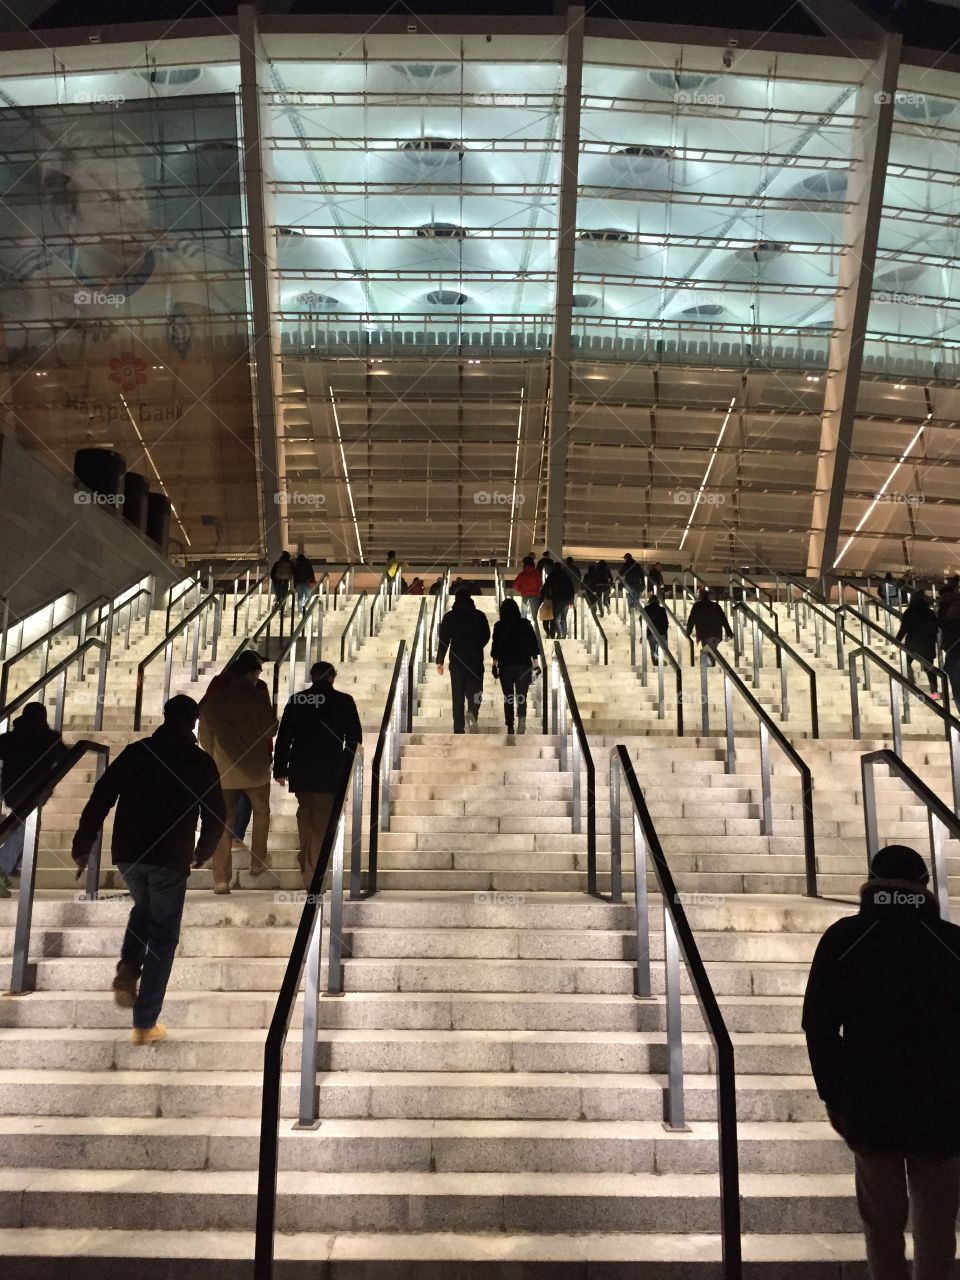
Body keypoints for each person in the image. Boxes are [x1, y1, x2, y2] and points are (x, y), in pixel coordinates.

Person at [803, 844, 960, 1280]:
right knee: (937, 1233)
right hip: (942, 1111)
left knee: (882, 1228)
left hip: (869, 1107)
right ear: (924, 886)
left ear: (871, 882)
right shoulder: (952, 943)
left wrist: (834, 1096)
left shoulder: (844, 938)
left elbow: (817, 1024)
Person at [71, 695, 225, 1045]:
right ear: (193, 722)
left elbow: (102, 795)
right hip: (170, 857)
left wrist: (83, 843)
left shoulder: (138, 752)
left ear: (165, 716)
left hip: (129, 853)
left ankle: (128, 965)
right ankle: (144, 1023)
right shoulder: (200, 761)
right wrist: (203, 852)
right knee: (163, 936)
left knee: (144, 907)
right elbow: (216, 814)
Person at [273, 661, 362, 890]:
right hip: (330, 770)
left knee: (306, 816)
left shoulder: (297, 700)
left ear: (312, 677)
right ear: (332, 677)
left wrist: (280, 768)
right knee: (321, 822)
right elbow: (354, 739)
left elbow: (284, 737)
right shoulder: (343, 701)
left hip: (301, 769)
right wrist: (347, 767)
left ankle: (307, 861)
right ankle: (312, 877)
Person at [198, 649, 278, 893]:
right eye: (258, 673)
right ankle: (258, 861)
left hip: (224, 770)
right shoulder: (257, 697)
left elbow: (204, 734)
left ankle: (221, 880)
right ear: (251, 673)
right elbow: (272, 729)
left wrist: (214, 756)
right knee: (261, 812)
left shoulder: (215, 699)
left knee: (222, 822)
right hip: (256, 769)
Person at [0, 703, 68, 897]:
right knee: (24, 829)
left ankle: (12, 866)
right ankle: (3, 869)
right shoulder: (48, 738)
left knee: (23, 828)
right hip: (34, 792)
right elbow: (63, 756)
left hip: (13, 790)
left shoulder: (13, 737)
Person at [436, 588, 491, 734]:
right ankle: (472, 712)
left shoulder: (450, 616)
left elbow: (444, 639)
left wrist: (440, 660)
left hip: (457, 660)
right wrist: (477, 645)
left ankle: (458, 728)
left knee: (458, 694)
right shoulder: (479, 616)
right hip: (475, 659)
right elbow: (486, 635)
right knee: (476, 690)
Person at [491, 599, 540, 738]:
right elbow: (533, 644)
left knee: (508, 697)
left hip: (506, 665)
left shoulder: (499, 626)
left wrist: (494, 665)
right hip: (524, 665)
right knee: (521, 696)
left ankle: (510, 726)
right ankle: (522, 721)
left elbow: (496, 647)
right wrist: (536, 664)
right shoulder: (525, 624)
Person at [895, 588, 940, 699]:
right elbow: (936, 628)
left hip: (912, 642)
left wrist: (896, 641)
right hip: (927, 643)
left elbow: (903, 629)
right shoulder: (929, 612)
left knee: (906, 663)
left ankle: (910, 684)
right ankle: (934, 691)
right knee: (929, 667)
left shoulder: (909, 612)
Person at [685, 586, 733, 661]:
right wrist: (729, 632)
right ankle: (710, 664)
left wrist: (688, 632)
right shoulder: (716, 606)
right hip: (716, 634)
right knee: (710, 651)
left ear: (700, 596)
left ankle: (709, 667)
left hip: (705, 633)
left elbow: (692, 619)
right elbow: (723, 620)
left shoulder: (697, 606)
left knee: (707, 651)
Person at [541, 560, 576, 640]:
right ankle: (563, 634)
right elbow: (571, 589)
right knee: (563, 617)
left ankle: (560, 633)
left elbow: (546, 586)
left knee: (556, 617)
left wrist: (548, 596)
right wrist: (571, 600)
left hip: (557, 599)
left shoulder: (552, 575)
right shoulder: (566, 576)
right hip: (566, 600)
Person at [941, 588, 960, 712]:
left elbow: (944, 642)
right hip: (954, 655)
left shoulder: (948, 621)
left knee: (958, 691)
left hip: (954, 655)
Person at [512, 554, 543, 619]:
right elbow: (540, 584)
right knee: (534, 616)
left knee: (524, 615)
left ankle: (524, 628)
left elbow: (515, 585)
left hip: (525, 596)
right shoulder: (537, 573)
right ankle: (534, 627)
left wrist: (521, 590)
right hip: (535, 595)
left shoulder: (522, 574)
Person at [643, 590, 669, 665]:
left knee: (653, 649)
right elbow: (666, 622)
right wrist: (664, 632)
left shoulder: (646, 608)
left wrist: (644, 633)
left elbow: (642, 619)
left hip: (651, 632)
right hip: (661, 632)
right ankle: (658, 661)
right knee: (660, 648)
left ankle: (655, 660)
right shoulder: (662, 609)